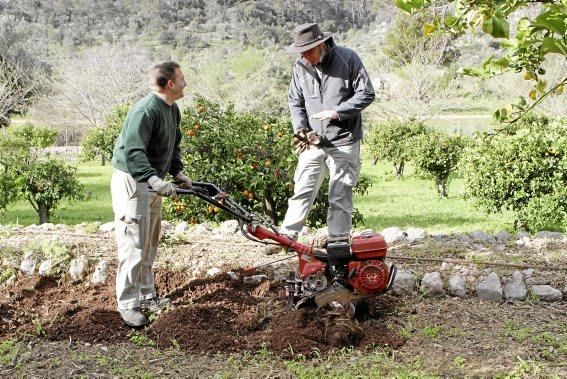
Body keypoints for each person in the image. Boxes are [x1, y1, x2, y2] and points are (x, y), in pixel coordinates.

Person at [273, 23, 375, 249]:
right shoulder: (301, 65)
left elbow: (367, 93)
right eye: (301, 52)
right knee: (302, 190)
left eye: (308, 51)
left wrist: (337, 112)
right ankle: (287, 238)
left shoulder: (348, 58)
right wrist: (300, 128)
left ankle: (338, 241)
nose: (304, 56)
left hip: (343, 140)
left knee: (340, 193)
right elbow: (295, 101)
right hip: (313, 142)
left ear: (321, 45)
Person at [110, 61, 192, 327]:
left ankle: (146, 295)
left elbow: (173, 144)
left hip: (153, 181)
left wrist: (177, 172)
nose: (185, 82)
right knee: (133, 241)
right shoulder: (146, 111)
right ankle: (128, 304)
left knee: (150, 240)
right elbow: (134, 152)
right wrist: (153, 179)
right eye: (181, 78)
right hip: (134, 181)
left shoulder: (172, 109)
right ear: (170, 83)